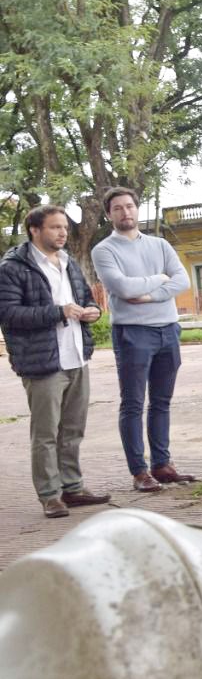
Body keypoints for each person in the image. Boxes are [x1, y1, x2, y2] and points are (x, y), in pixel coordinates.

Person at [0, 205, 112, 517]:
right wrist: (59, 311)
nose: (63, 232)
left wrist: (93, 311)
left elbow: (86, 298)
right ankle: (50, 495)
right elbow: (8, 314)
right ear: (35, 230)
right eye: (54, 227)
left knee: (73, 429)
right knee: (46, 434)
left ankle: (73, 487)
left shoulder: (69, 262)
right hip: (42, 362)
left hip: (76, 355)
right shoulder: (13, 267)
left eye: (64, 227)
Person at [92, 187, 195, 492]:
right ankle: (139, 471)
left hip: (168, 330)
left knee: (162, 401)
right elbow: (122, 288)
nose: (126, 213)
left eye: (130, 206)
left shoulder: (160, 245)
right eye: (118, 208)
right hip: (132, 332)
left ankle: (161, 464)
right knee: (134, 403)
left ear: (138, 209)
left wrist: (149, 293)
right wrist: (161, 280)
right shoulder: (104, 250)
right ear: (109, 214)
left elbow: (183, 280)